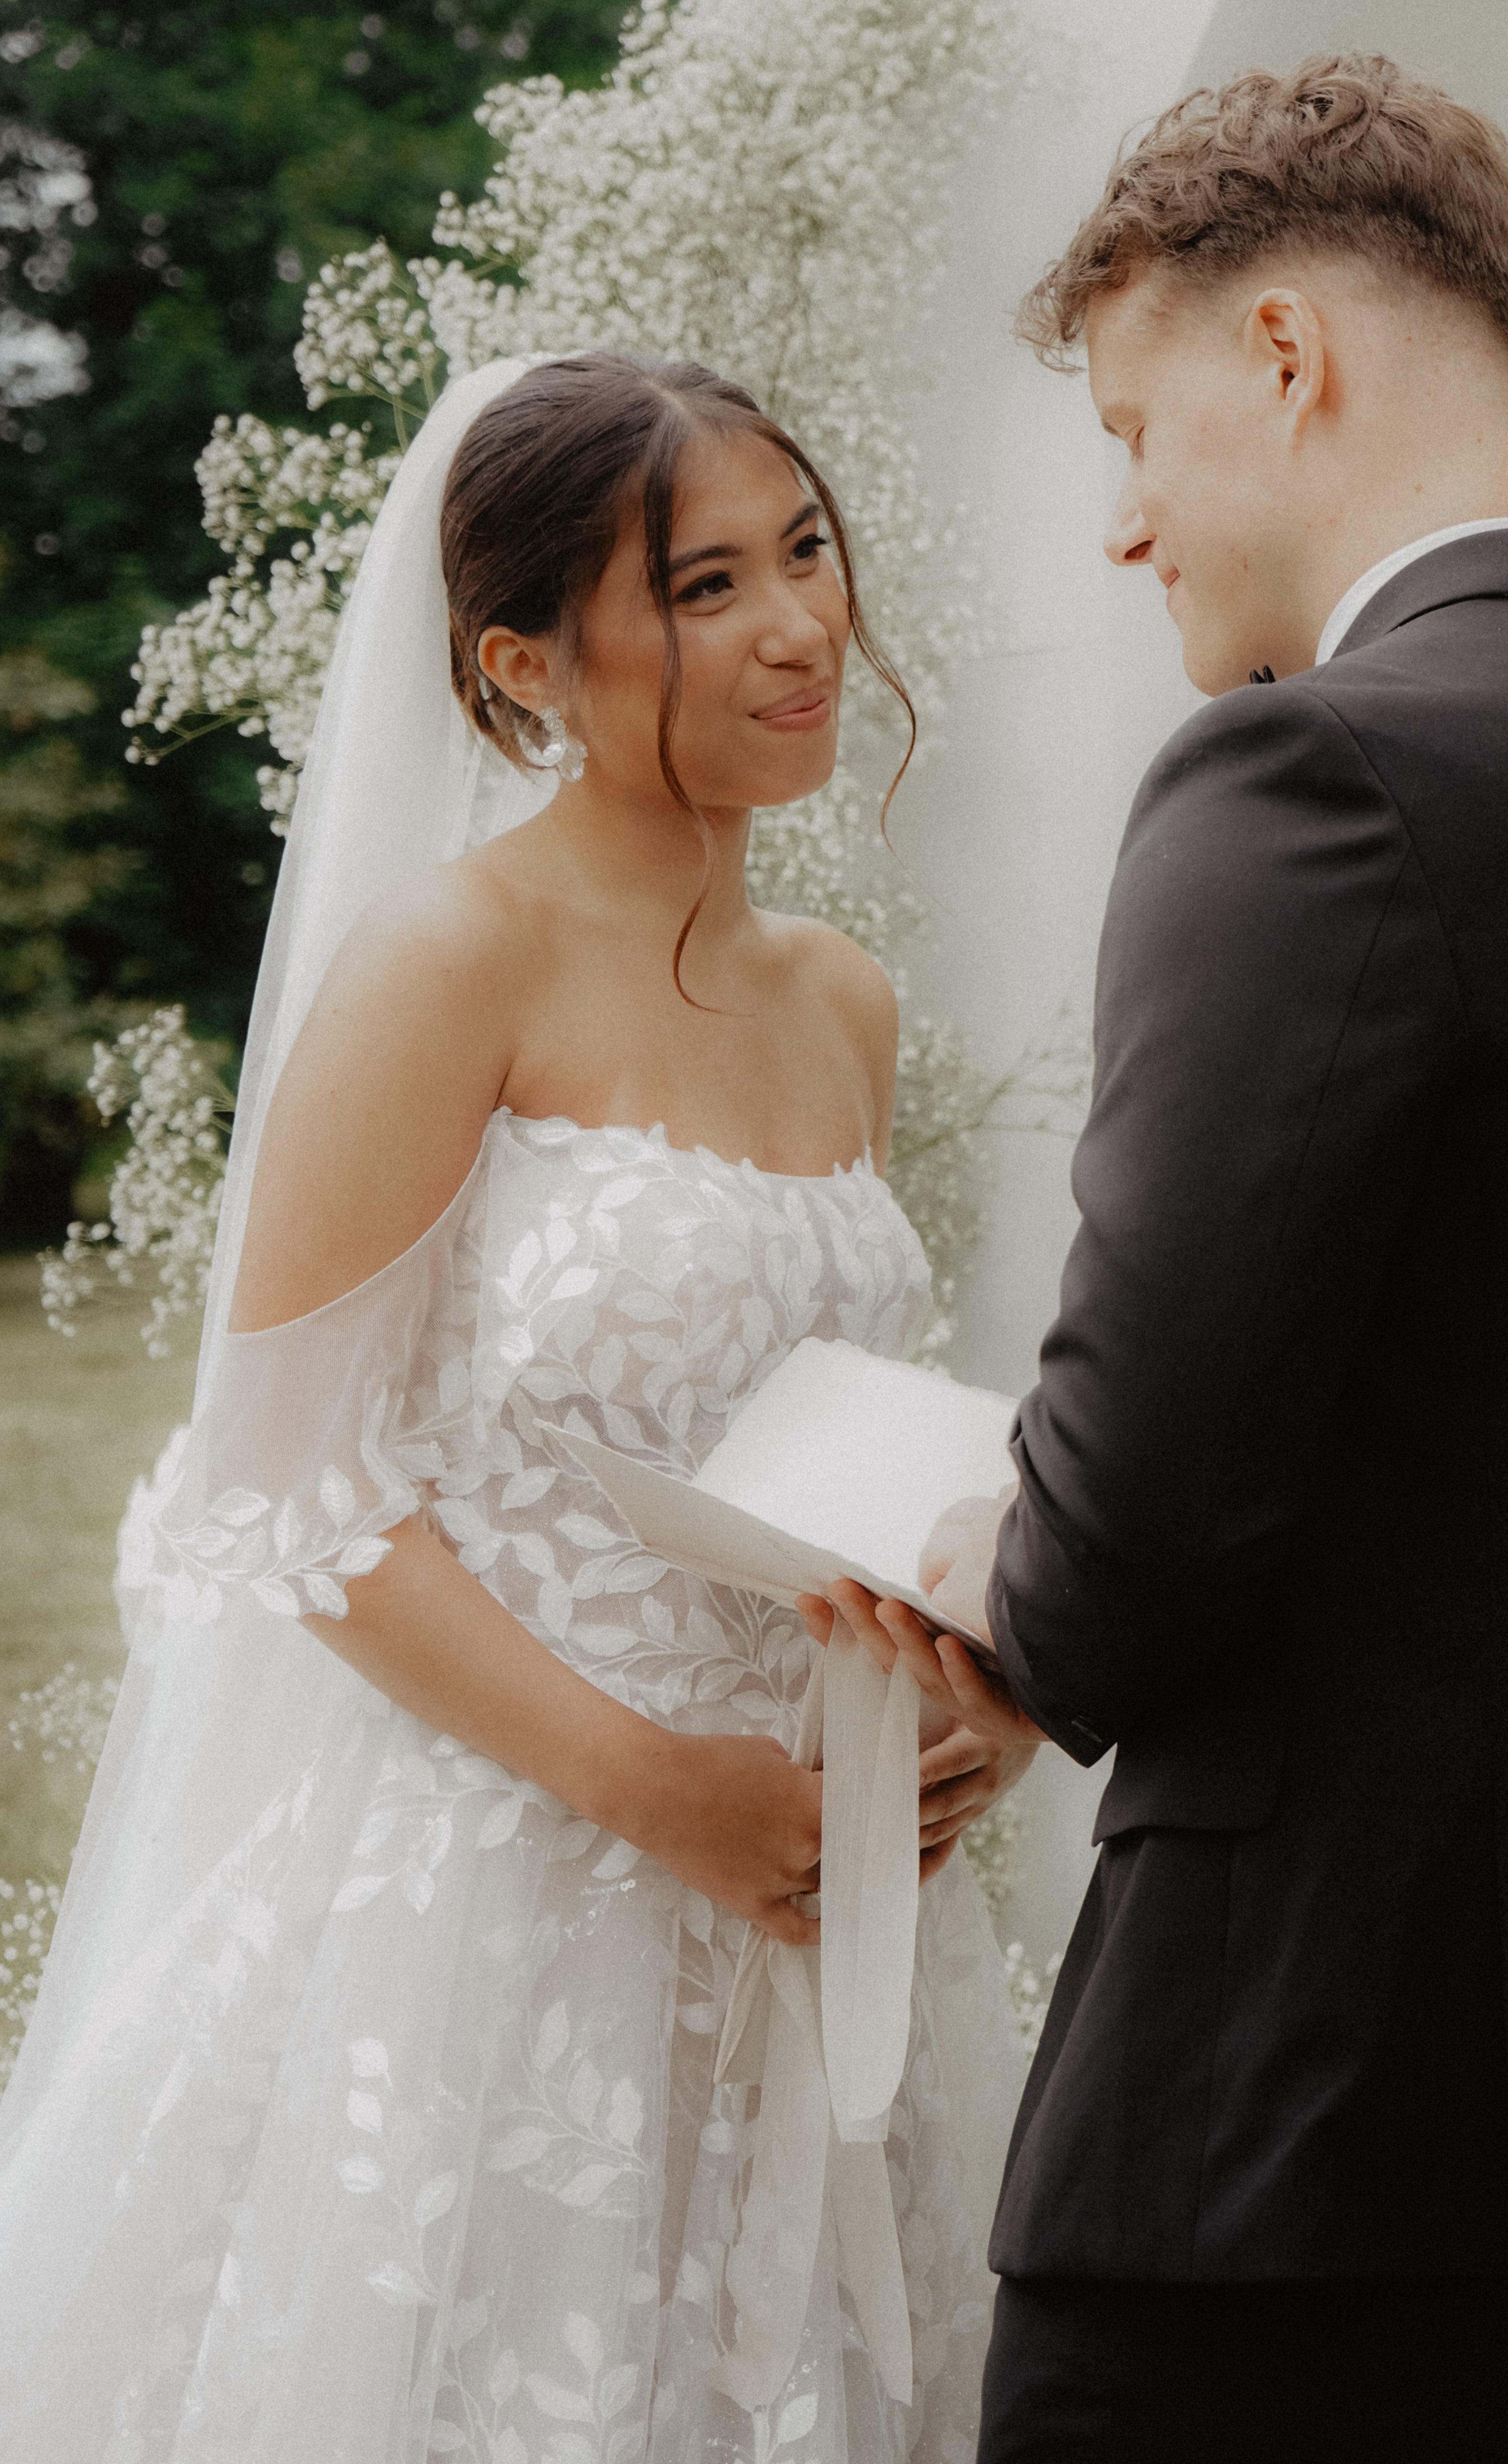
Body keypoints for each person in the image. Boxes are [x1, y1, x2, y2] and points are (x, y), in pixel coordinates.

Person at [825, 56, 1508, 2463]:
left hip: (1318, 2144)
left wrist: (974, 1549)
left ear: (1287, 356)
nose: (1127, 524)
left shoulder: (1303, 778)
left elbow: (1115, 1558)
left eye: (1134, 427)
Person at [0, 350, 1031, 2462]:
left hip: (816, 1894)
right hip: (492, 1897)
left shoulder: (842, 1001)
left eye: (808, 553)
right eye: (710, 583)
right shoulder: (449, 958)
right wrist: (661, 1787)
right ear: (522, 662)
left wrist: (961, 1690)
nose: (798, 628)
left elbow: (814, 1429)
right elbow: (281, 1500)